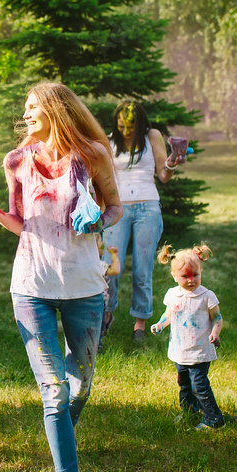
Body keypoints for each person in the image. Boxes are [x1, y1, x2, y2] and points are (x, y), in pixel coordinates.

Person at [0, 82, 123, 472]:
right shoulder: (16, 160)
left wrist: (96, 219)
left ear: (56, 109)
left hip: (86, 287)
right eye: (25, 108)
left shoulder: (91, 153)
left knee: (80, 387)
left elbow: (115, 208)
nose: (26, 114)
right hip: (31, 285)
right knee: (54, 393)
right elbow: (22, 224)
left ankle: (60, 440)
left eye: (33, 107)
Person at [102, 100, 180, 343]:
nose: (126, 131)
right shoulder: (109, 140)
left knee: (142, 269)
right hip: (117, 210)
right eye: (122, 125)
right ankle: (105, 315)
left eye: (131, 126)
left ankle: (140, 324)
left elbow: (163, 176)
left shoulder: (152, 136)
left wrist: (171, 165)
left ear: (141, 123)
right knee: (109, 268)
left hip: (148, 208)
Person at [150, 243, 225, 430]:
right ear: (174, 276)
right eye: (185, 276)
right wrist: (160, 325)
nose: (191, 280)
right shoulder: (172, 295)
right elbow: (169, 314)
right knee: (184, 385)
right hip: (179, 350)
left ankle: (214, 419)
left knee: (199, 386)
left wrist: (215, 333)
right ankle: (189, 412)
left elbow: (217, 317)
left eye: (195, 275)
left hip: (200, 351)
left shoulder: (206, 296)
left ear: (201, 272)